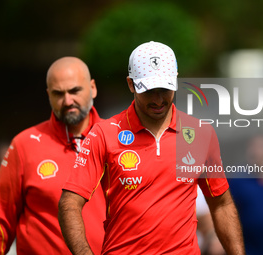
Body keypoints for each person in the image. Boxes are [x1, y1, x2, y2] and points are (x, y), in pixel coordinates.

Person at [58, 41, 245, 255]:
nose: (158, 99)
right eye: (149, 90)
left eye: (164, 88)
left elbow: (221, 204)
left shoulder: (199, 133)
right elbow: (70, 203)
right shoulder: (104, 133)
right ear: (130, 84)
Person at [0, 57, 106, 254]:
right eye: (59, 94)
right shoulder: (25, 144)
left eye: (75, 91)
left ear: (92, 88)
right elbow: (0, 220)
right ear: (48, 95)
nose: (68, 101)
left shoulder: (118, 140)